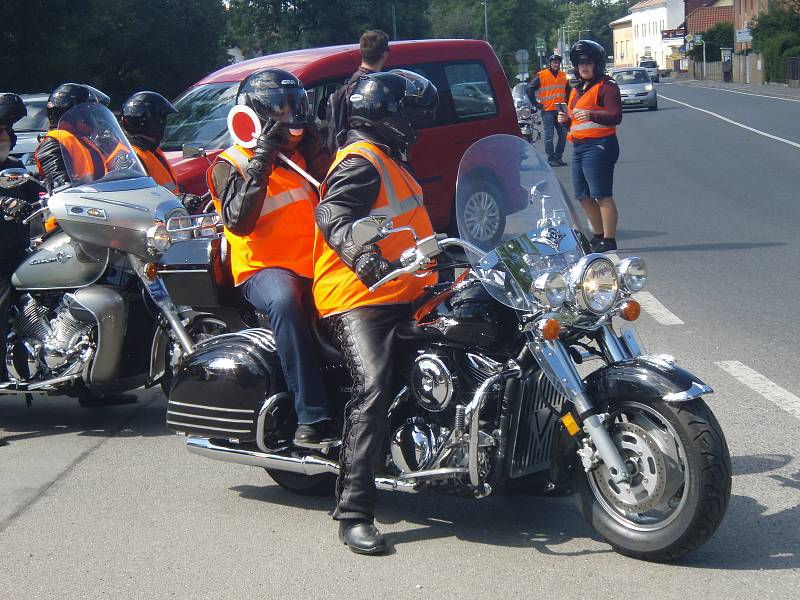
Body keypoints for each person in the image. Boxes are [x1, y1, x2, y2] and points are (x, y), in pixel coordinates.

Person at [313, 70, 438, 554]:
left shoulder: (389, 159)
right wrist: (361, 256)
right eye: (413, 116)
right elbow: (333, 215)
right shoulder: (360, 162)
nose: (418, 126)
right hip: (357, 296)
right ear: (388, 116)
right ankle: (354, 510)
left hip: (403, 288)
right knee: (374, 386)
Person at [207, 68, 334, 445]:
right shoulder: (230, 163)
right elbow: (239, 221)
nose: (292, 116)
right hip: (264, 269)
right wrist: (262, 158)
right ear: (255, 116)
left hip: (314, 262)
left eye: (296, 106)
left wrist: (317, 151)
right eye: (281, 107)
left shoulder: (297, 161)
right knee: (285, 301)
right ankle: (311, 416)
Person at [558, 40, 622, 253]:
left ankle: (609, 240)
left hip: (600, 145)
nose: (584, 67)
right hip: (579, 146)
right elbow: (576, 120)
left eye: (588, 62)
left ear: (598, 64)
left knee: (602, 194)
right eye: (579, 63)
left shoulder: (607, 86)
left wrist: (592, 113)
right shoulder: (577, 90)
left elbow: (615, 115)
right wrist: (565, 120)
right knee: (583, 196)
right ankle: (597, 236)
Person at [0, 93, 41, 377]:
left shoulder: (13, 166)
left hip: (19, 250)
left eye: (7, 129)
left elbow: (39, 198)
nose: (4, 135)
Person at [119, 91, 201, 212]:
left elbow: (167, 187)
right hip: (156, 225)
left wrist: (181, 195)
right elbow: (137, 202)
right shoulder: (131, 159)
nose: (165, 124)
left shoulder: (151, 150)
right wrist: (180, 200)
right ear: (149, 122)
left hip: (173, 218)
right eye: (162, 119)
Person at [34, 83, 110, 192]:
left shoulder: (83, 140)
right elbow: (60, 186)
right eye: (86, 112)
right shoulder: (53, 143)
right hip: (78, 204)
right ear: (74, 115)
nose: (90, 118)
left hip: (101, 198)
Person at [326, 29, 390, 152]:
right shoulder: (383, 91)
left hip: (347, 158)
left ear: (361, 52)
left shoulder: (344, 91)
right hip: (373, 158)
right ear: (384, 54)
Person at [528, 54, 570, 166]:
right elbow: (529, 89)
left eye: (558, 62)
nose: (556, 64)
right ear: (550, 63)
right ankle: (551, 159)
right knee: (549, 135)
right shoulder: (542, 75)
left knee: (563, 134)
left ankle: (558, 157)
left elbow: (568, 91)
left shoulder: (563, 75)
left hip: (560, 109)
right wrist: (536, 104)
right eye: (554, 62)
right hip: (548, 109)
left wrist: (569, 105)